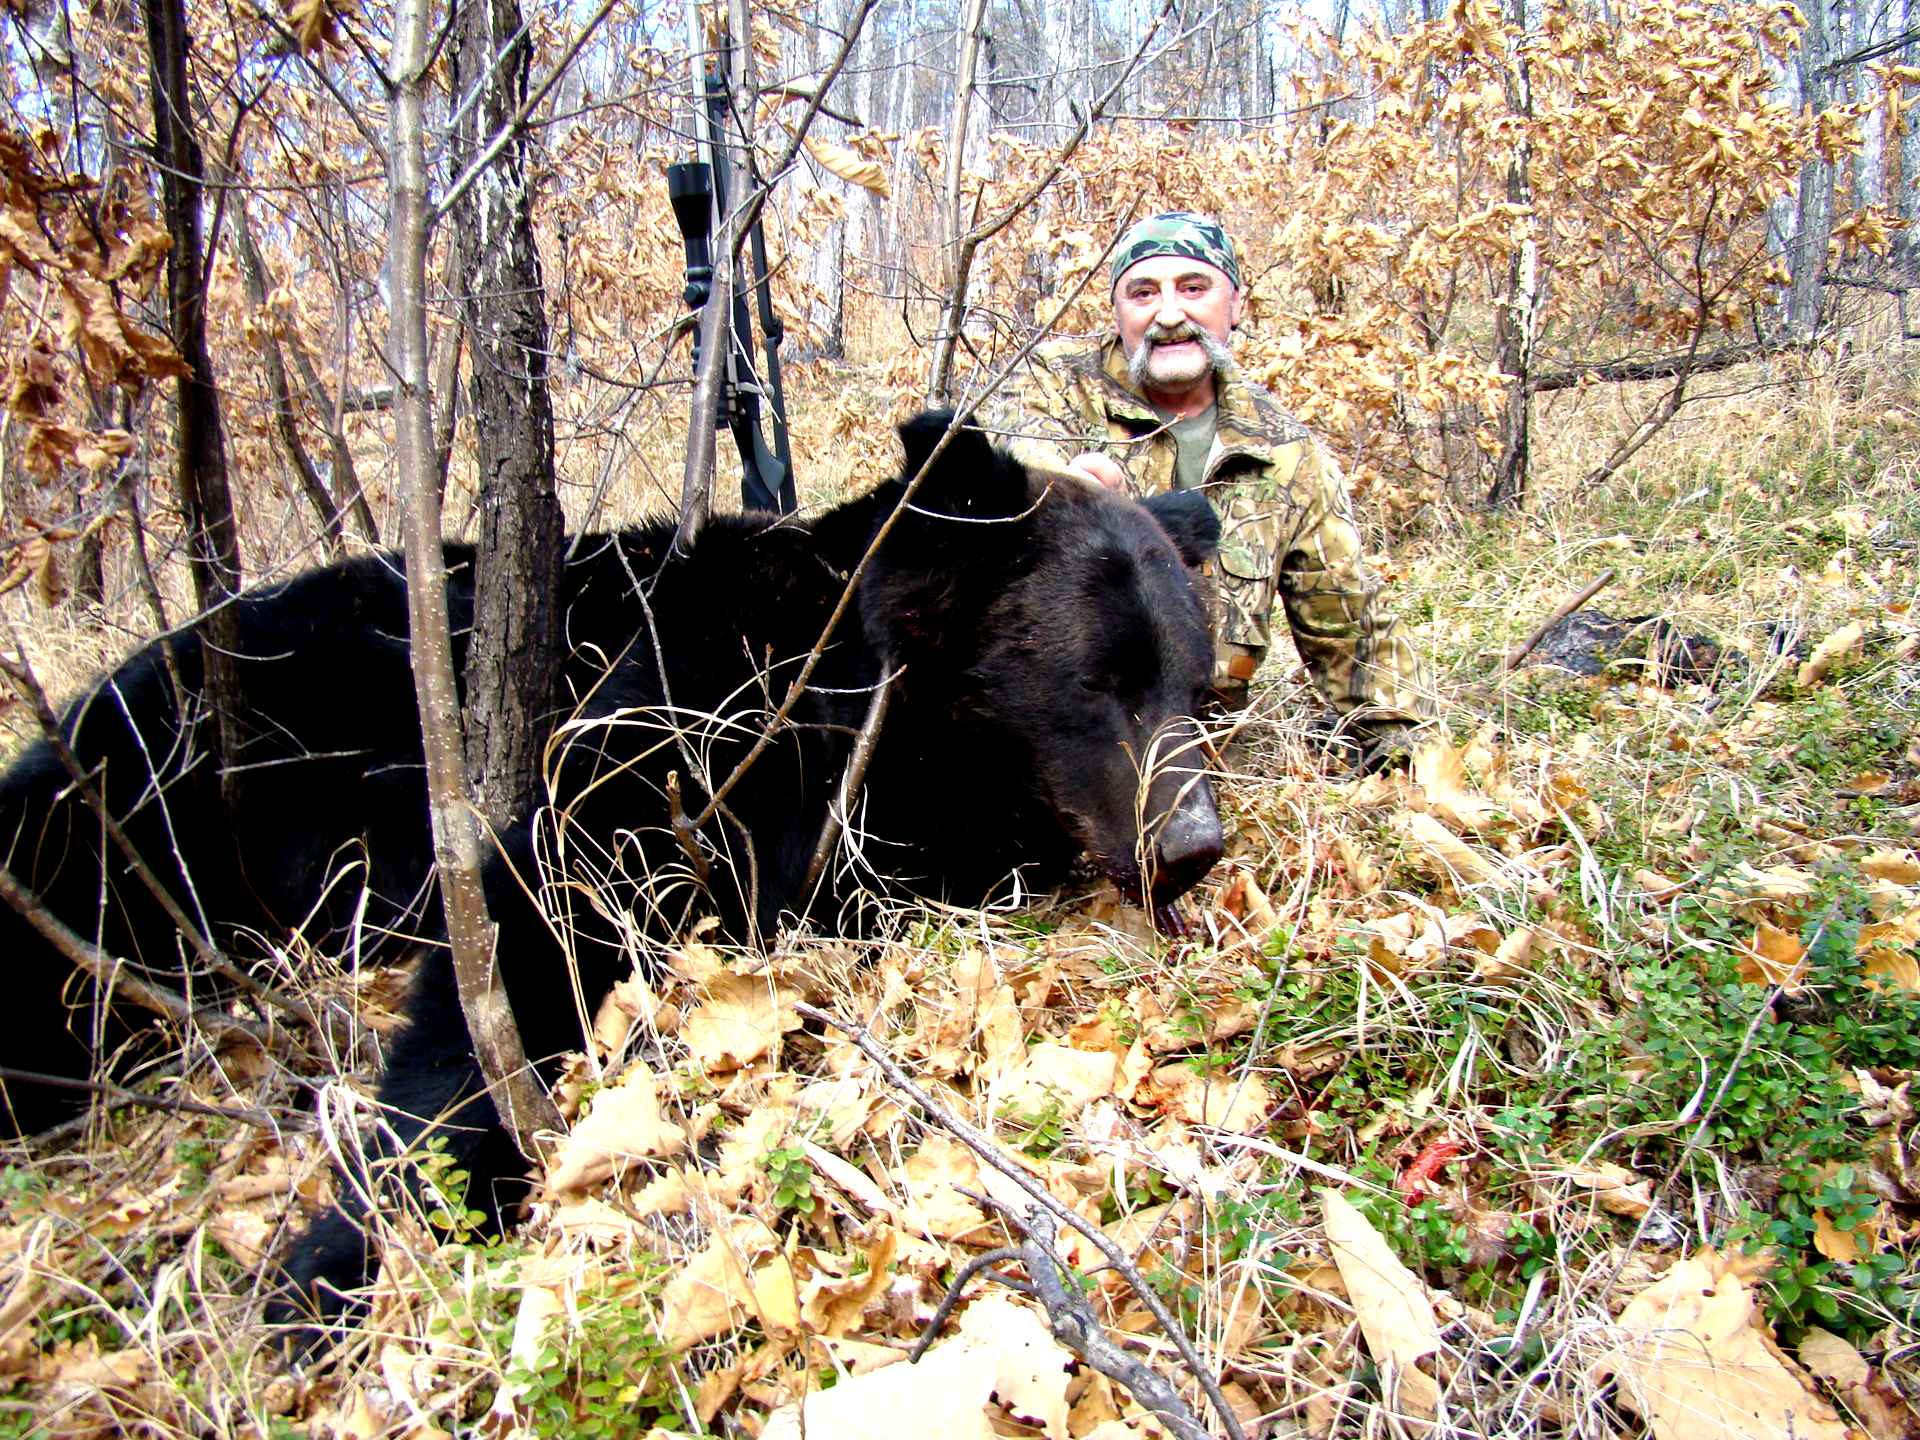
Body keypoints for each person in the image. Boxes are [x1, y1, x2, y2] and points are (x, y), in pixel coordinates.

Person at [992, 211, 1435, 768]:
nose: (1169, 314)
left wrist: (1411, 765)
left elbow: (1352, 634)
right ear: (1117, 311)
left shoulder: (1287, 455)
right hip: (1065, 749)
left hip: (1204, 759)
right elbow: (1009, 469)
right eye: (1143, 292)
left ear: (1236, 304)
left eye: (1194, 288)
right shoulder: (1049, 385)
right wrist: (1065, 494)